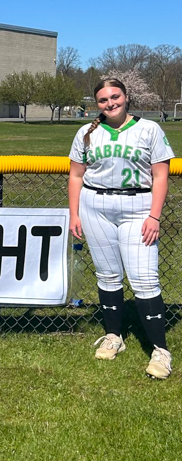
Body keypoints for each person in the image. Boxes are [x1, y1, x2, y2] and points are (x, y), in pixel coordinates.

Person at [68, 78, 174, 379]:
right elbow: (76, 175)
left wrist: (154, 216)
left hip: (138, 207)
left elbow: (161, 175)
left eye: (115, 96)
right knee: (108, 275)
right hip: (95, 206)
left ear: (127, 97)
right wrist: (74, 214)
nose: (110, 103)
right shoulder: (87, 132)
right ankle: (114, 336)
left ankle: (160, 350)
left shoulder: (148, 129)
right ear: (96, 103)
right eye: (103, 99)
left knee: (144, 279)